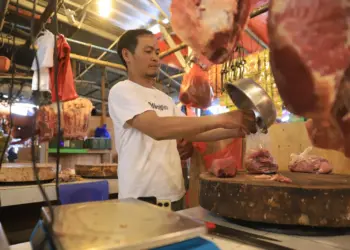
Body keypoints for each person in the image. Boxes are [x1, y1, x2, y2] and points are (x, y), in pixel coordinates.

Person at [108, 29, 257, 211]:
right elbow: (157, 129)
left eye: (157, 52)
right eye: (148, 52)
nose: (155, 58)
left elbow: (194, 131)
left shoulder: (164, 98)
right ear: (127, 55)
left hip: (174, 195)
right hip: (141, 200)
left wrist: (238, 128)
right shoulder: (122, 90)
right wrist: (223, 118)